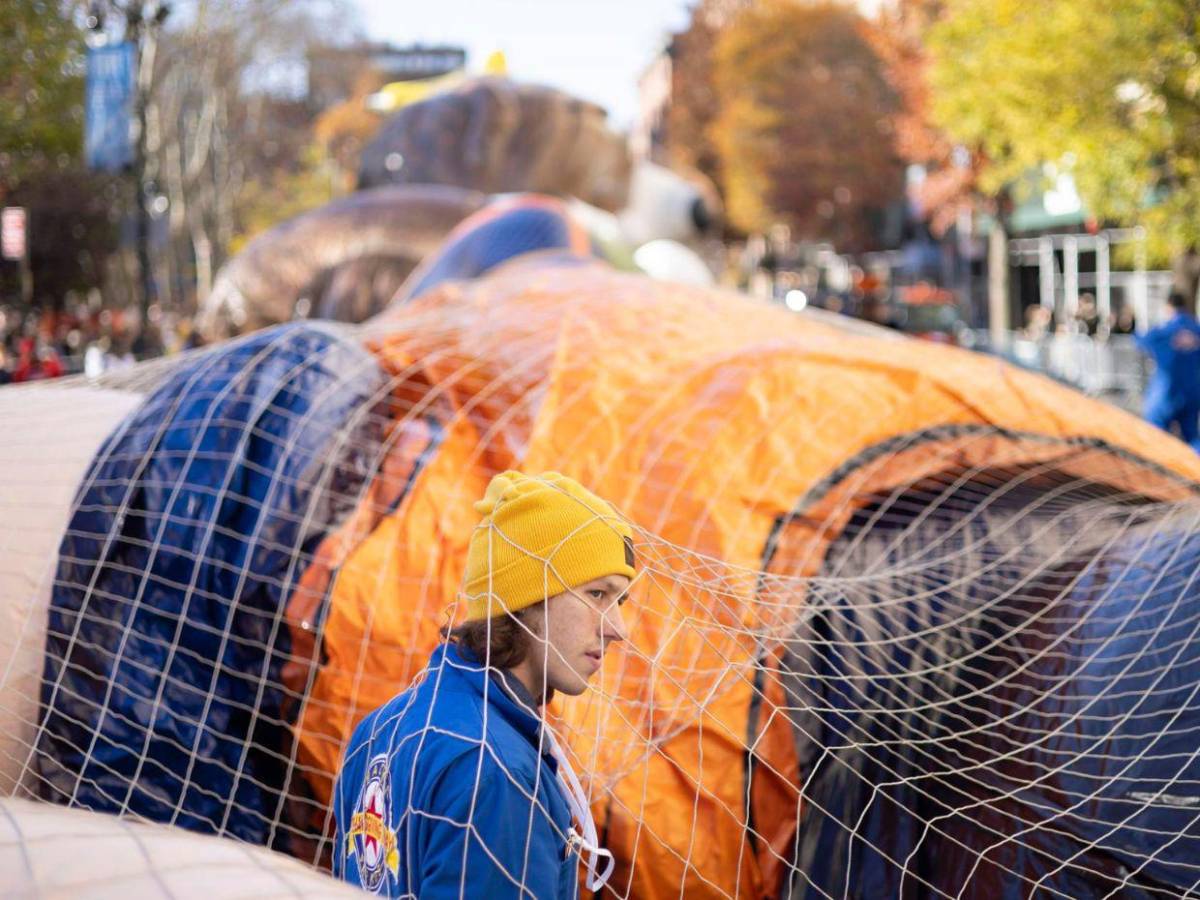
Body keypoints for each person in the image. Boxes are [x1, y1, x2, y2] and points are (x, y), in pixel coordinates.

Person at [334, 470, 636, 899]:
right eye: (598, 594)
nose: (618, 628)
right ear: (526, 596)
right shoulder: (498, 772)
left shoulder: (380, 727)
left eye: (620, 601)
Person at [1136, 291, 1200, 446]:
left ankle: (1160, 468)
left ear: (1169, 307)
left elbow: (1142, 340)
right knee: (1191, 436)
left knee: (1156, 434)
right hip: (1193, 391)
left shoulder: (1165, 330)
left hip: (1167, 391)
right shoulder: (1196, 329)